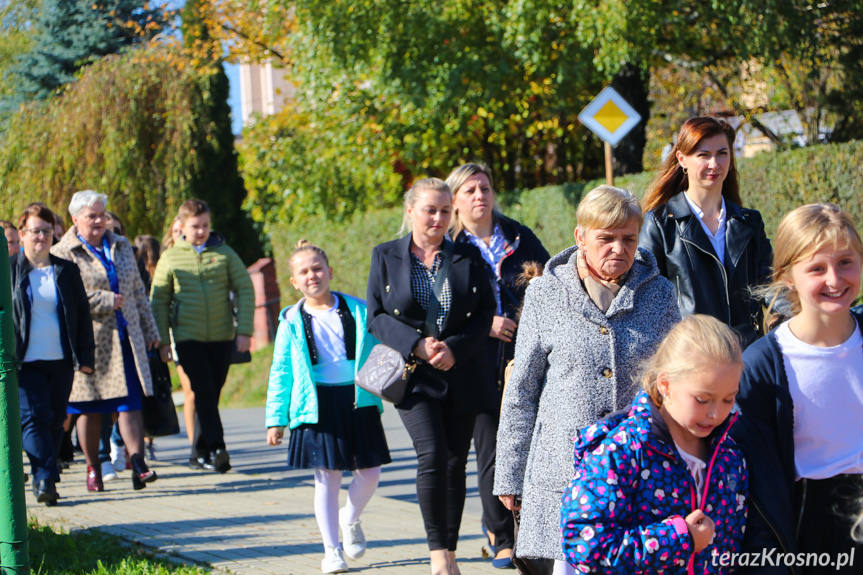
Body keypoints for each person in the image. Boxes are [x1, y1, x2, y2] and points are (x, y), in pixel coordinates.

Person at [494, 185, 681, 575]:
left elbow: (674, 383)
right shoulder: (546, 293)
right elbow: (522, 390)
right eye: (606, 238)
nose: (619, 247)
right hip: (563, 472)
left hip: (639, 470)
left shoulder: (660, 294)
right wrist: (510, 473)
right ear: (581, 237)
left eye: (628, 238)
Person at [367, 178, 495, 575]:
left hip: (460, 373)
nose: (438, 218)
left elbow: (485, 316)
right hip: (413, 377)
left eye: (444, 210)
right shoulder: (385, 255)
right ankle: (437, 553)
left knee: (456, 463)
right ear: (410, 211)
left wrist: (454, 348)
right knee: (433, 454)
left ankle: (451, 553)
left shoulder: (468, 257)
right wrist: (416, 345)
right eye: (430, 210)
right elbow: (376, 316)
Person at [560, 315, 748, 573]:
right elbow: (585, 544)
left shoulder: (729, 457)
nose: (716, 413)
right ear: (665, 384)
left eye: (729, 399)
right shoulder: (622, 450)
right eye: (703, 399)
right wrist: (680, 539)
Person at [733, 203, 863, 574]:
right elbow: (754, 481)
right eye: (817, 269)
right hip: (809, 526)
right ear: (787, 275)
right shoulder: (762, 365)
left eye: (846, 262)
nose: (835, 280)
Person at [445, 163, 550, 569]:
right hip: (476, 362)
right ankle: (501, 537)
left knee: (530, 446)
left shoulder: (519, 236)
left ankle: (532, 530)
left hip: (525, 359)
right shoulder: (450, 246)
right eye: (469, 190)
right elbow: (438, 307)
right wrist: (483, 324)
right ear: (455, 200)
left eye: (484, 187)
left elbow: (550, 279)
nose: (479, 195)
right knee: (492, 449)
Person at [266, 240, 391, 574]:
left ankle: (349, 518)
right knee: (327, 479)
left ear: (330, 272)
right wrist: (275, 419)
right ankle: (331, 550)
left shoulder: (360, 309)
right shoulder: (290, 320)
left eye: (317, 268)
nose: (312, 275)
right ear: (293, 281)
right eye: (303, 272)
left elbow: (380, 348)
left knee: (371, 471)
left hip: (358, 398)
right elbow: (281, 371)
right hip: (316, 404)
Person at [51, 190, 160, 492]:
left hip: (126, 338)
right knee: (90, 407)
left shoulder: (122, 245)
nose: (100, 221)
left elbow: (137, 292)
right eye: (92, 216)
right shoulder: (63, 252)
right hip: (90, 342)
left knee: (130, 404)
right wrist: (103, 299)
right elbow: (64, 299)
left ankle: (137, 464)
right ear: (75, 219)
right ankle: (92, 468)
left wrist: (152, 334)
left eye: (103, 214)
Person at [640, 116, 772, 347]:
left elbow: (771, 285)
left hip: (746, 355)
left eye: (722, 153)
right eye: (703, 155)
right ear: (682, 159)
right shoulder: (660, 224)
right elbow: (645, 299)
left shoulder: (750, 223)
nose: (714, 163)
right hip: (692, 356)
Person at [151, 199, 254, 473]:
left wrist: (244, 330)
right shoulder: (171, 257)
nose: (201, 231)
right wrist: (162, 341)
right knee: (203, 391)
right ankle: (219, 448)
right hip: (188, 337)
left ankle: (198, 453)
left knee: (210, 395)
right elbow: (158, 300)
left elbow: (245, 288)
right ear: (182, 227)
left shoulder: (224, 253)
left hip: (222, 337)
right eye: (195, 226)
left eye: (206, 225)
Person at [12, 204, 95, 505]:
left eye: (47, 231)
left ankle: (45, 469)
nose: (42, 237)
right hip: (24, 361)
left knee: (57, 418)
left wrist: (86, 356)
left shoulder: (65, 271)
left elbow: (82, 315)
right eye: (36, 231)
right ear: (22, 234)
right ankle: (45, 477)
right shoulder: (8, 271)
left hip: (60, 360)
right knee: (34, 416)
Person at [160, 216, 197, 457]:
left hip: (204, 332)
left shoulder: (201, 259)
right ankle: (196, 445)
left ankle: (209, 440)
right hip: (177, 333)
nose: (181, 235)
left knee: (207, 391)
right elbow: (160, 302)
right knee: (191, 389)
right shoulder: (167, 262)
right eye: (177, 231)